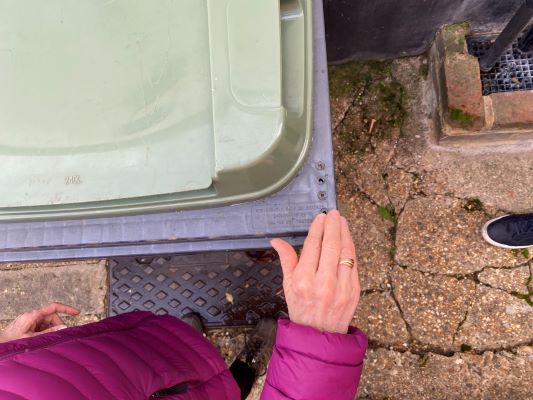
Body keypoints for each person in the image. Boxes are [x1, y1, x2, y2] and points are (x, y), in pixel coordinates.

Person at [0, 210, 367, 400]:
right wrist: (316, 350)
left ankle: (188, 348)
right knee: (228, 389)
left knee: (170, 347)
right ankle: (247, 364)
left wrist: (11, 348)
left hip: (114, 357)